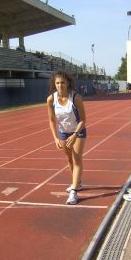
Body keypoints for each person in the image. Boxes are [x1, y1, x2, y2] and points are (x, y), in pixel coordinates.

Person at [46, 70, 87, 205]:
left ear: (68, 83)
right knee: (69, 158)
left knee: (76, 158)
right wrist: (55, 138)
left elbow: (83, 120)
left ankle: (74, 191)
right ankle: (78, 182)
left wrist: (75, 134)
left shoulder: (76, 98)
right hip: (63, 132)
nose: (60, 85)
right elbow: (51, 120)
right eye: (57, 83)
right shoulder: (51, 99)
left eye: (63, 82)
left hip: (78, 131)